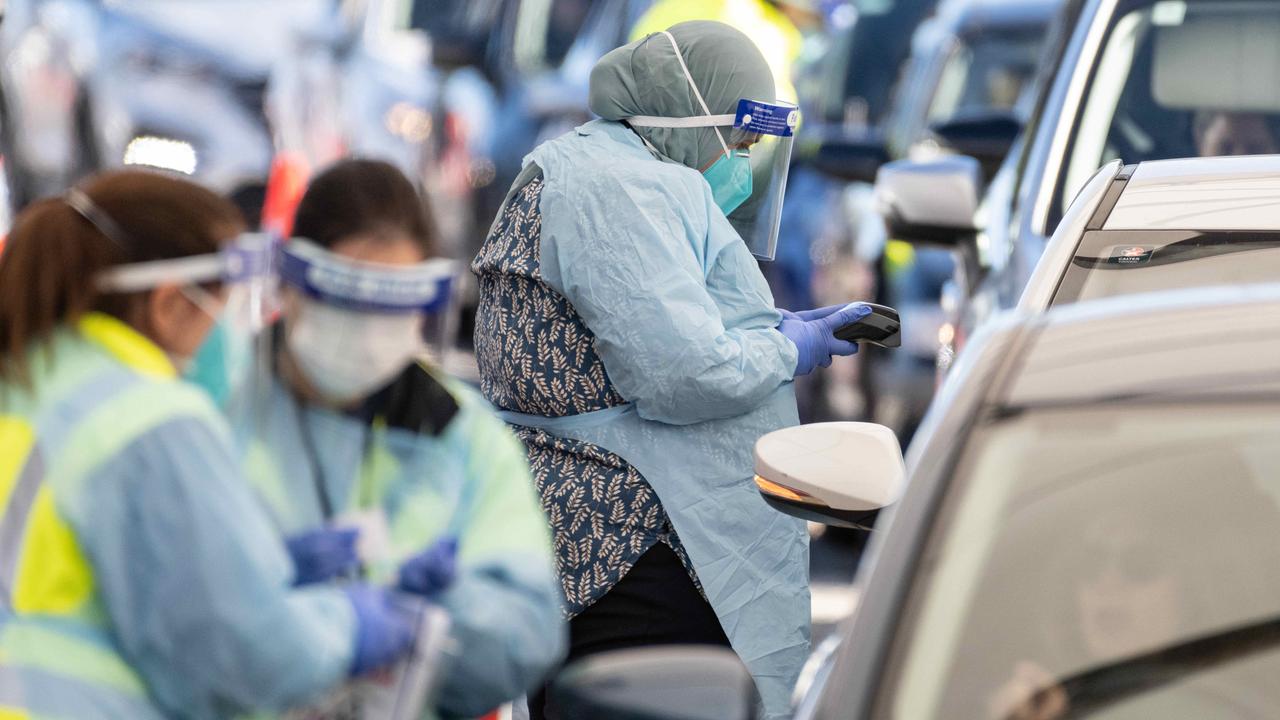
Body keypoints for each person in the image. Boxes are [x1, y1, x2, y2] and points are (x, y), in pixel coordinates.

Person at [472, 21, 870, 720]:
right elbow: (686, 372)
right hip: (629, 547)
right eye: (739, 144)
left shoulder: (611, 171)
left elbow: (642, 327)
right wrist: (789, 350)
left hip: (615, 538)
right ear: (694, 120)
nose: (743, 167)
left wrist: (774, 329)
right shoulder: (619, 189)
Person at [0, 170, 415, 718]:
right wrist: (349, 625)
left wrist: (260, 570)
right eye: (223, 304)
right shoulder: (149, 420)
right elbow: (248, 659)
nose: (230, 331)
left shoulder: (30, 381)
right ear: (170, 305)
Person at [236, 159, 565, 718]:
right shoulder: (215, 409)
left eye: (390, 311)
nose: (366, 340)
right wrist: (266, 601)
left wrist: (440, 615)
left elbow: (526, 636)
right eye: (347, 305)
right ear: (289, 288)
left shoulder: (459, 434)